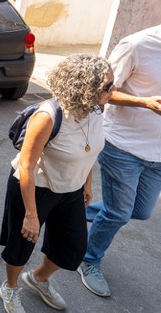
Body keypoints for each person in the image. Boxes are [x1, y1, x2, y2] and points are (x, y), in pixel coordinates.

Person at [0, 54, 113, 312]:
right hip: (35, 188)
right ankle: (10, 287)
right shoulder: (48, 116)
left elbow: (89, 149)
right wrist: (30, 214)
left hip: (71, 189)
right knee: (22, 244)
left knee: (73, 247)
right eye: (107, 87)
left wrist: (87, 183)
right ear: (87, 88)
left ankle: (38, 278)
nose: (113, 91)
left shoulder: (96, 110)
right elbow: (26, 166)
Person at [79, 25, 161, 297]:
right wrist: (145, 103)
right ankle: (89, 260)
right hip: (122, 145)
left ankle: (73, 213)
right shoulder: (136, 45)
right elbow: (101, 91)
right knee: (119, 212)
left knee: (140, 211)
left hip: (157, 153)